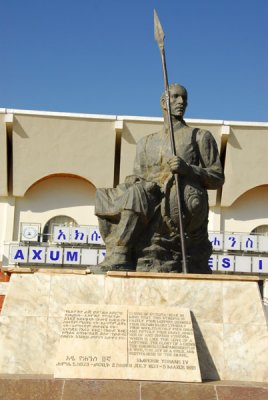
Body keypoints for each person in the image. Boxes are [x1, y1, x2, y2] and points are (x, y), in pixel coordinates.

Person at [95, 84, 224, 273]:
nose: (181, 102)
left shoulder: (200, 136)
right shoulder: (145, 142)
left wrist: (188, 169)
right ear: (164, 102)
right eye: (176, 97)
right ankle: (117, 248)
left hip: (175, 199)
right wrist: (135, 182)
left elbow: (217, 177)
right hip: (147, 193)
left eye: (184, 99)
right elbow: (137, 175)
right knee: (104, 195)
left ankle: (120, 254)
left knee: (138, 194)